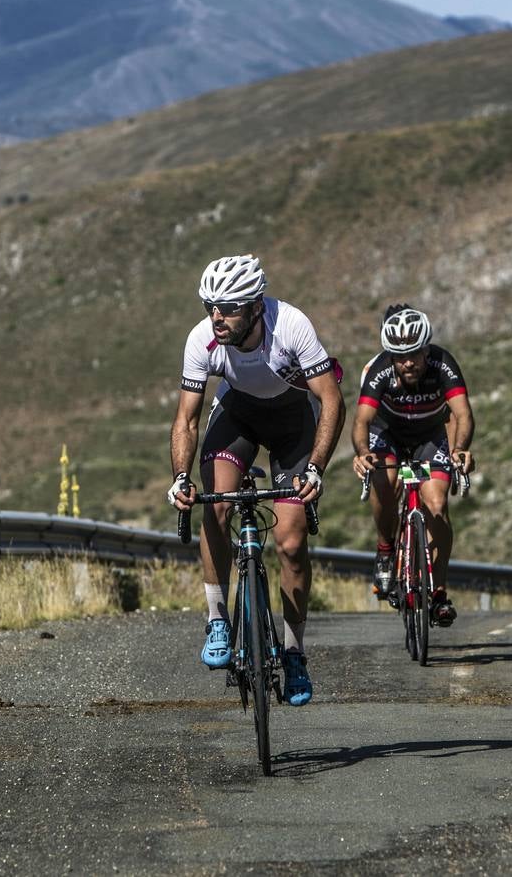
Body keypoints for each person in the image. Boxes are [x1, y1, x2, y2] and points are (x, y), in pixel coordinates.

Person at [166, 254, 344, 706]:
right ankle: (218, 619)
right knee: (217, 503)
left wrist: (315, 468)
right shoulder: (202, 338)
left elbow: (331, 401)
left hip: (292, 423)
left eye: (227, 308)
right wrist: (181, 478)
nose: (216, 317)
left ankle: (294, 652)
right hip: (238, 415)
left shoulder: (292, 326)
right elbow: (187, 419)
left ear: (255, 307)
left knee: (290, 541)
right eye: (210, 306)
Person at [350, 304, 474, 626]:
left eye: (416, 354)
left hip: (428, 438)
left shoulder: (444, 364)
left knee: (437, 504)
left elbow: (463, 414)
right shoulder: (378, 370)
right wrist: (362, 452)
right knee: (385, 481)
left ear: (426, 349)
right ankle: (386, 548)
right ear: (389, 354)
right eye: (400, 356)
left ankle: (439, 592)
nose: (408, 362)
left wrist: (460, 449)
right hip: (387, 434)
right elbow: (361, 420)